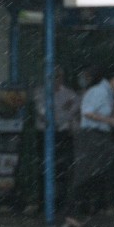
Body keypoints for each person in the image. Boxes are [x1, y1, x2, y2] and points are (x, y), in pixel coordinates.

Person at [59, 64, 114, 227]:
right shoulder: (99, 92)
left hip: (99, 137)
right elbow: (87, 112)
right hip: (92, 137)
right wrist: (110, 121)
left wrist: (113, 115)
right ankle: (73, 213)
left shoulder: (107, 94)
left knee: (104, 173)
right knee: (89, 175)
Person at [32, 65, 80, 214]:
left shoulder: (70, 94)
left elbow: (72, 112)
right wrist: (60, 113)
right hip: (45, 136)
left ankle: (61, 203)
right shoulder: (40, 92)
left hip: (63, 136)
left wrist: (56, 114)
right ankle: (43, 202)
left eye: (58, 76)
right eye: (53, 77)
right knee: (44, 170)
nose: (56, 80)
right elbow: (44, 113)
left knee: (63, 170)